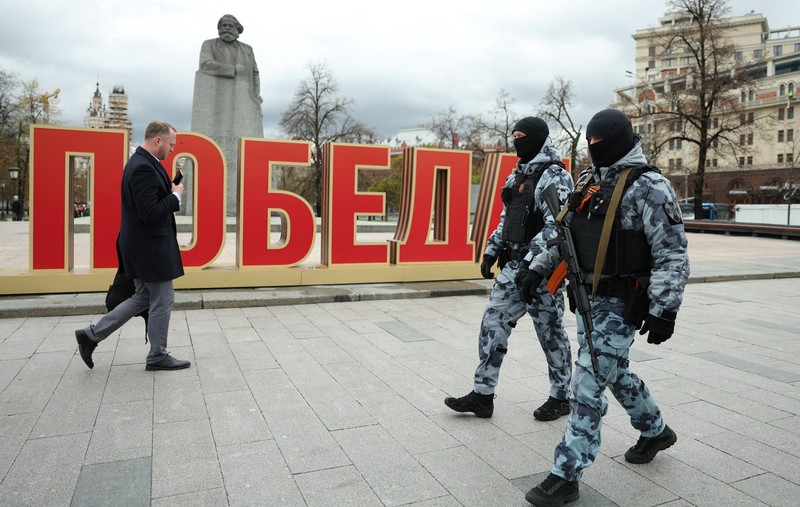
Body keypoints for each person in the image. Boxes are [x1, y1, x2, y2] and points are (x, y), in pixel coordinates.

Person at [522, 108, 690, 506]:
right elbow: (564, 235)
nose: (594, 149)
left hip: (621, 303)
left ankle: (566, 473)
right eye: (590, 142)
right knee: (611, 373)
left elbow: (673, 254)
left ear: (621, 139)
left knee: (587, 381)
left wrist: (664, 309)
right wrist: (537, 268)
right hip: (586, 299)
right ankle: (656, 430)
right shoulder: (588, 183)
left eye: (601, 142)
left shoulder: (650, 186)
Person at [444, 117, 574, 420]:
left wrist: (533, 264)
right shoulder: (517, 175)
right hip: (514, 267)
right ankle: (482, 395)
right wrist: (491, 250)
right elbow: (508, 219)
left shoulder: (554, 176)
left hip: (542, 271)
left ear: (539, 138)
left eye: (522, 136)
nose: (517, 141)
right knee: (492, 323)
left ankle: (561, 396)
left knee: (551, 333)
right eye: (514, 136)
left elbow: (557, 227)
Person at [75, 121, 190, 371]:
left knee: (143, 297)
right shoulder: (142, 168)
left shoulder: (145, 163)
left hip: (142, 246)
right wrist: (176, 196)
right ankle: (157, 355)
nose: (172, 150)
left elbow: (146, 203)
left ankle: (91, 335)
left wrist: (168, 190)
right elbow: (149, 213)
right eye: (170, 145)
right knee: (163, 298)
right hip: (149, 248)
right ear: (157, 140)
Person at [198, 14, 262, 105]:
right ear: (219, 28)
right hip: (218, 96)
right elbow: (205, 64)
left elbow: (255, 73)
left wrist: (256, 93)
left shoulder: (248, 49)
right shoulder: (209, 44)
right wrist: (232, 69)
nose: (227, 28)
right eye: (224, 25)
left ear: (237, 29)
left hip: (245, 97)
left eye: (230, 26)